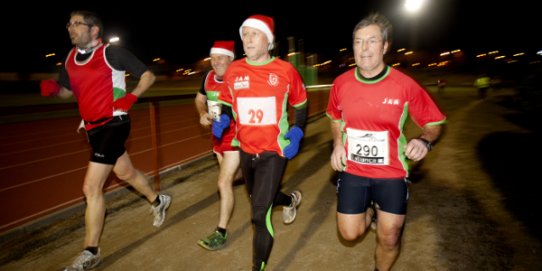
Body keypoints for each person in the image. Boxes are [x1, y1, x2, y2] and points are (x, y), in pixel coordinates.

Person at [40, 10, 171, 271]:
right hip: (93, 128)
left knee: (91, 188)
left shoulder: (111, 53)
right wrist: (56, 90)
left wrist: (131, 97)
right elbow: (68, 92)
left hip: (115, 123)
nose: (71, 28)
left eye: (77, 24)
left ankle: (91, 251)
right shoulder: (69, 58)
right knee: (126, 172)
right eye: (69, 23)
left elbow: (148, 76)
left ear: (94, 30)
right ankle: (159, 200)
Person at [326, 13, 447, 271]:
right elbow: (334, 117)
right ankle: (369, 213)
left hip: (391, 172)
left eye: (371, 41)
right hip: (353, 170)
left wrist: (425, 141)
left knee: (390, 237)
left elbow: (435, 122)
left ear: (385, 46)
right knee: (349, 233)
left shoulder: (404, 85)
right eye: (358, 42)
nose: (364, 48)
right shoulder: (341, 83)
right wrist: (338, 143)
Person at [214, 14, 307, 270]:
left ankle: (258, 267)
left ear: (269, 40)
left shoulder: (286, 71)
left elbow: (300, 105)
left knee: (258, 214)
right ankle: (289, 201)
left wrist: (298, 131)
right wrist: (222, 118)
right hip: (246, 150)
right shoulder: (235, 70)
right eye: (245, 34)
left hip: (274, 152)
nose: (247, 39)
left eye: (254, 34)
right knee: (261, 198)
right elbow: (226, 101)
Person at [194, 41, 242, 251]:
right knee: (237, 177)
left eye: (221, 58)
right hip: (217, 139)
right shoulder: (207, 78)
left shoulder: (240, 79)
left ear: (231, 59)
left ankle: (220, 232)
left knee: (223, 182)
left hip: (236, 138)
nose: (216, 63)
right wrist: (202, 113)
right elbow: (199, 99)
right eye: (213, 59)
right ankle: (285, 199)